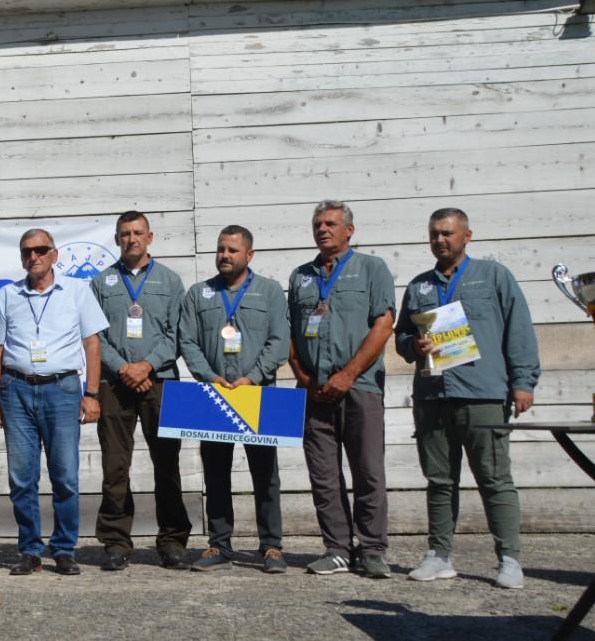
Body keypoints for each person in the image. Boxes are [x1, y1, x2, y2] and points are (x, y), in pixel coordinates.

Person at [395, 208, 540, 589]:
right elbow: (401, 339)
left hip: (482, 394)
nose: (439, 240)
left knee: (494, 478)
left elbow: (519, 328)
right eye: (433, 234)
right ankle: (439, 555)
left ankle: (509, 559)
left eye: (446, 233)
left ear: (467, 236)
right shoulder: (418, 286)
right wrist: (414, 342)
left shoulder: (493, 276)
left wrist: (523, 382)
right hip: (432, 395)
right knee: (439, 480)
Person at [0, 228, 108, 576]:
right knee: (21, 478)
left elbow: (93, 344)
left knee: (65, 476)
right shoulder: (8, 295)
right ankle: (30, 550)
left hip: (63, 390)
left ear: (54, 254)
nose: (34, 256)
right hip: (17, 391)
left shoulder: (77, 291)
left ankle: (64, 548)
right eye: (27, 251)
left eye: (41, 250)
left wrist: (92, 393)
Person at [286, 200, 396, 580]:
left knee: (368, 471)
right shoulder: (300, 276)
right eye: (317, 224)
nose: (323, 229)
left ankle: (372, 549)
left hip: (360, 387)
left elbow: (383, 326)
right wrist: (301, 375)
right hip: (314, 393)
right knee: (324, 475)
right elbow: (291, 333)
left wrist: (348, 374)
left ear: (350, 230)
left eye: (331, 223)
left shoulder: (371, 268)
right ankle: (336, 549)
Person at [178, 225, 290, 574]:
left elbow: (279, 341)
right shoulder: (199, 294)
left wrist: (252, 376)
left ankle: (271, 547)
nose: (224, 255)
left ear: (249, 255)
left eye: (232, 250)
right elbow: (187, 341)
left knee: (265, 474)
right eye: (221, 249)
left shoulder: (270, 291)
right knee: (215, 472)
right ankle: (219, 544)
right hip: (214, 394)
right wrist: (207, 376)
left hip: (258, 393)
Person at [90, 211, 191, 571]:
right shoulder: (102, 283)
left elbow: (178, 333)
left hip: (160, 382)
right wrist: (123, 367)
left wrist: (146, 365)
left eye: (137, 233)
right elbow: (95, 336)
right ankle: (116, 541)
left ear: (150, 237)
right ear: (117, 239)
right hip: (115, 384)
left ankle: (173, 540)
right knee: (115, 466)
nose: (131, 239)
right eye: (124, 234)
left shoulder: (170, 280)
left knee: (167, 463)